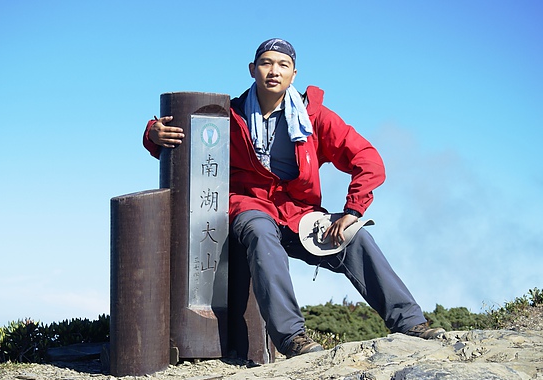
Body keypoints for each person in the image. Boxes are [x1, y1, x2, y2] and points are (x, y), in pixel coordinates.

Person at [142, 38, 444, 359]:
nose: (274, 71)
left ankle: (410, 322)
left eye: (283, 65)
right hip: (250, 207)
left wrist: (353, 210)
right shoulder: (230, 116)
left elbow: (367, 158)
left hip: (301, 216)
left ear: (294, 74)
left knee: (357, 239)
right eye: (266, 63)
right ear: (252, 70)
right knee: (259, 231)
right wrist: (152, 133)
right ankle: (292, 338)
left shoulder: (314, 117)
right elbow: (188, 133)